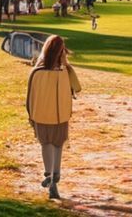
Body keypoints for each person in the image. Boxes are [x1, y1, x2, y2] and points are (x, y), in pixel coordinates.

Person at [26, 35, 74, 200]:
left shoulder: (36, 72)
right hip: (60, 116)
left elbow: (30, 96)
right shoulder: (64, 73)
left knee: (46, 144)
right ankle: (55, 176)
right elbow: (77, 87)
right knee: (57, 145)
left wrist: (31, 116)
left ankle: (50, 175)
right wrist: (66, 64)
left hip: (41, 115)